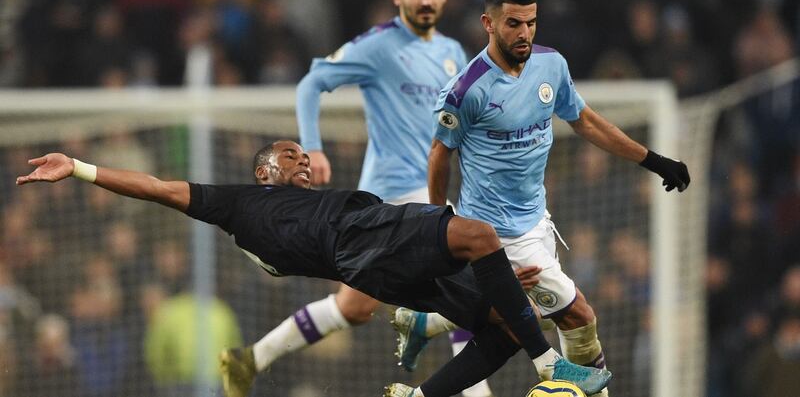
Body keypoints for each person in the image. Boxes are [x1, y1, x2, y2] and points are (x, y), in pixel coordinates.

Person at [15, 141, 612, 397]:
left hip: (372, 266)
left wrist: (494, 278)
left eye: (304, 155)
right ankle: (551, 370)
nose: (303, 160)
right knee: (479, 236)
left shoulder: (281, 217)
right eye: (290, 155)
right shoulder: (237, 204)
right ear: (262, 173)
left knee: (503, 324)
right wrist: (83, 168)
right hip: (365, 239)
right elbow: (157, 187)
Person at [390, 0, 691, 397]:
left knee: (517, 321)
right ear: (488, 23)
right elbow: (440, 154)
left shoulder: (552, 66)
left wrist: (654, 160)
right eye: (514, 23)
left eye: (531, 22)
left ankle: (424, 330)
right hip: (495, 236)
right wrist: (440, 225)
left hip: (536, 221)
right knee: (580, 317)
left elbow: (584, 121)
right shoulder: (466, 91)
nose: (524, 32)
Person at [221, 0, 495, 397]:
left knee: (356, 307)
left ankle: (251, 359)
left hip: (430, 190)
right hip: (390, 194)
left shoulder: (451, 53)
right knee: (469, 284)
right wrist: (312, 145)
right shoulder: (378, 45)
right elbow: (312, 82)